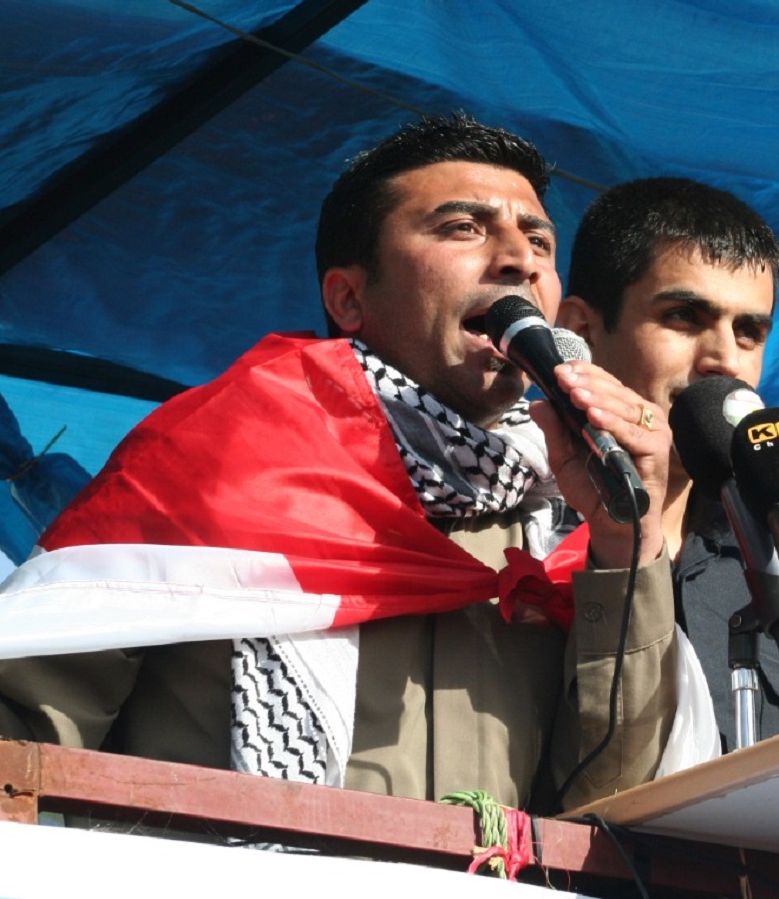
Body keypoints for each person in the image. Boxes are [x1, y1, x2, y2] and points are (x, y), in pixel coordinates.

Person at [0, 114, 680, 813]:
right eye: (463, 228)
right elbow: (21, 742)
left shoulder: (567, 518)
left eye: (538, 239)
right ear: (348, 298)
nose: (519, 260)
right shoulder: (217, 452)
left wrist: (628, 550)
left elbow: (610, 803)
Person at [556, 176, 779, 752]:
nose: (723, 358)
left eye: (749, 332)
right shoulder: (513, 534)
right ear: (581, 330)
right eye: (684, 317)